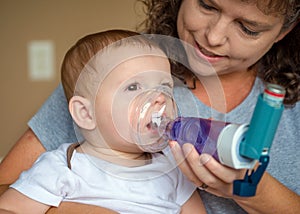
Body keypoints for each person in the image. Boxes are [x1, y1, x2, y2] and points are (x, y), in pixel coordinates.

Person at [0, 0, 299, 213]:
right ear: (85, 112)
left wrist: (257, 194)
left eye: (247, 27)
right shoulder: (64, 163)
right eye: (207, 5)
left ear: (285, 30)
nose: (213, 37)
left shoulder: (168, 167)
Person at [0, 29, 205, 213]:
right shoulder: (62, 168)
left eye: (164, 86)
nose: (159, 98)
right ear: (85, 114)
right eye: (133, 87)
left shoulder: (171, 167)